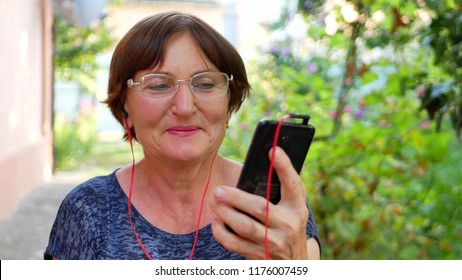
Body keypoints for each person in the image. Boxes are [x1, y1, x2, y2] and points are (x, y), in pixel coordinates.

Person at [44, 11, 321, 260]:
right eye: (159, 85)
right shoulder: (87, 211)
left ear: (229, 105)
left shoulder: (274, 206)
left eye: (205, 83)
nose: (185, 107)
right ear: (125, 107)